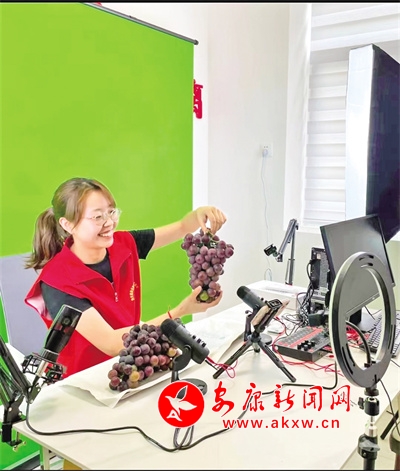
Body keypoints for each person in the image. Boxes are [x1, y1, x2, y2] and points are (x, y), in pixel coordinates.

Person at [25, 177, 227, 378]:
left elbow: (182, 227)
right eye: (97, 217)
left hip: (135, 363)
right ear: (68, 225)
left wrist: (199, 215)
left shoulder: (124, 244)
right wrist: (181, 311)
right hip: (87, 380)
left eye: (111, 212)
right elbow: (112, 343)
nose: (109, 222)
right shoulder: (57, 283)